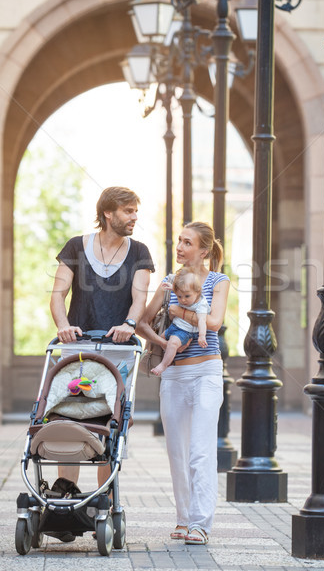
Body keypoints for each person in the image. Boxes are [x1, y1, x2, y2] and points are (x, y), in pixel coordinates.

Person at [49, 186, 155, 541]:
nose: (134, 218)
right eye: (128, 211)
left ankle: (103, 502)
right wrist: (63, 326)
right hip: (77, 348)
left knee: (108, 425)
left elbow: (139, 296)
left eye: (135, 211)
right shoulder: (76, 247)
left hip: (119, 351)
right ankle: (64, 496)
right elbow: (58, 293)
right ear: (108, 213)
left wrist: (128, 324)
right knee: (70, 418)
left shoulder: (139, 253)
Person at [138, 221, 229, 545]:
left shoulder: (218, 281)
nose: (179, 247)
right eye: (178, 240)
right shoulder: (166, 282)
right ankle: (183, 518)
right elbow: (142, 323)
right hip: (174, 374)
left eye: (187, 242)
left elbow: (215, 323)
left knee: (201, 450)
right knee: (177, 450)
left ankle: (200, 523)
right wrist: (164, 345)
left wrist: (178, 309)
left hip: (206, 371)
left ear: (203, 250)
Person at [151, 266, 210, 376]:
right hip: (174, 326)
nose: (183, 300)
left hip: (185, 331)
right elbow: (182, 290)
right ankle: (171, 354)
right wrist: (172, 287)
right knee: (162, 340)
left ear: (198, 292)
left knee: (172, 343)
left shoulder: (201, 305)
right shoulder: (186, 292)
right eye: (179, 296)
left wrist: (202, 336)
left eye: (187, 296)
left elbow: (202, 320)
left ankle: (163, 365)